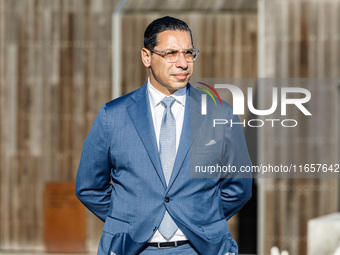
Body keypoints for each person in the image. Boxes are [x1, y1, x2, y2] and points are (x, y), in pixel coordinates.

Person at [75, 16, 252, 255]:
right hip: (133, 249)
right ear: (146, 57)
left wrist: (201, 216)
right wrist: (130, 218)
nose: (183, 63)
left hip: (199, 249)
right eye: (171, 53)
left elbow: (239, 185)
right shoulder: (112, 116)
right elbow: (89, 187)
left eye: (188, 53)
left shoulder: (220, 113)